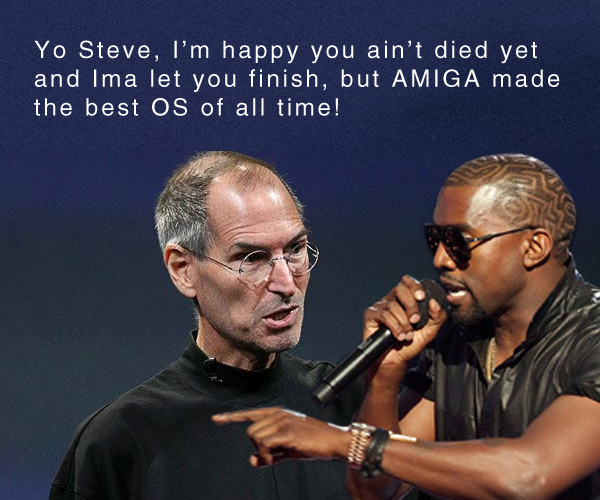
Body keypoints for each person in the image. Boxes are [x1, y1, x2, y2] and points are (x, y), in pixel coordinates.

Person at [214, 154, 600, 500]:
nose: (441, 259)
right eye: (435, 238)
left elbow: (530, 476)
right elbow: (375, 490)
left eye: (459, 241)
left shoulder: (591, 337)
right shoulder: (454, 341)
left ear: (534, 247)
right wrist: (385, 375)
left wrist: (346, 441)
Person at [49, 151, 362, 500]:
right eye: (252, 258)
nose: (286, 283)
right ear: (183, 269)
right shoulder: (121, 442)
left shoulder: (355, 409)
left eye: (295, 249)